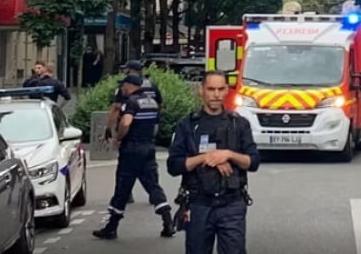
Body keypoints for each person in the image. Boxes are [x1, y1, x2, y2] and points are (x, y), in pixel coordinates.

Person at [167, 70, 260, 254]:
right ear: (201, 90)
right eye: (211, 89)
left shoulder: (239, 124)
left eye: (220, 89)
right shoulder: (187, 125)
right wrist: (206, 158)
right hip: (198, 204)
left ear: (227, 90)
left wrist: (228, 155)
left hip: (231, 205)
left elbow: (254, 162)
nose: (216, 95)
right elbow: (174, 166)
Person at [93, 74, 175, 240]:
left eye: (124, 85)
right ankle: (168, 221)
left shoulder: (130, 102)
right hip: (148, 148)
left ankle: (111, 228)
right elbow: (155, 124)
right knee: (153, 185)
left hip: (131, 149)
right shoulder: (151, 102)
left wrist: (119, 138)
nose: (122, 88)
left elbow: (125, 122)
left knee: (123, 187)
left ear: (130, 85)